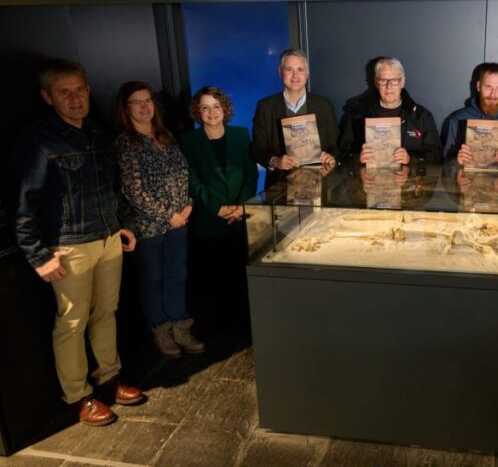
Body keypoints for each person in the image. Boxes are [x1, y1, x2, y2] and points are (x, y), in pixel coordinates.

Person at [11, 59, 144, 426]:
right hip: (68, 246)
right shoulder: (38, 140)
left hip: (108, 238)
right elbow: (24, 204)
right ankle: (78, 395)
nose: (75, 98)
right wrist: (38, 256)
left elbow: (112, 189)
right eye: (64, 92)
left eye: (80, 89)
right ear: (47, 96)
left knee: (106, 312)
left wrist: (123, 225)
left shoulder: (98, 134)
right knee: (71, 322)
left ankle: (109, 377)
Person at [114, 81, 205, 358]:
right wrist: (169, 215)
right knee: (152, 280)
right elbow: (133, 191)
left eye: (148, 100)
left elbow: (182, 175)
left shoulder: (166, 137)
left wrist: (188, 205)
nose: (144, 107)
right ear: (126, 109)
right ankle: (161, 331)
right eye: (137, 102)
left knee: (177, 276)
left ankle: (181, 327)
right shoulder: (126, 144)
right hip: (148, 228)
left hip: (180, 222)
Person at [178, 87, 258, 340]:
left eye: (216, 106)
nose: (211, 112)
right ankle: (217, 332)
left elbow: (250, 173)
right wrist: (218, 207)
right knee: (212, 280)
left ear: (224, 109)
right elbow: (192, 180)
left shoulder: (240, 134)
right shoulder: (189, 141)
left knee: (238, 277)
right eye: (205, 107)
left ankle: (242, 330)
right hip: (208, 220)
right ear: (197, 112)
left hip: (239, 218)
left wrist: (242, 206)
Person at [338, 57, 442, 165]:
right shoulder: (358, 114)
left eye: (394, 81)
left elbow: (437, 156)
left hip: (409, 180)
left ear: (402, 82)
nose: (389, 87)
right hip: (369, 180)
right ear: (376, 82)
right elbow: (341, 154)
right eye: (383, 80)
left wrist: (410, 158)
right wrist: (357, 158)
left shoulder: (421, 116)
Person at [252, 48, 338, 177]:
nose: (295, 75)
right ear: (280, 73)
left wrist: (331, 156)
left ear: (307, 73)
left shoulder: (324, 105)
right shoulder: (265, 107)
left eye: (300, 69)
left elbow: (336, 144)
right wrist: (275, 161)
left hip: (320, 183)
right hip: (280, 186)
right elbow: (257, 149)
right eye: (289, 69)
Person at [442, 62, 498, 168]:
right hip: (468, 183)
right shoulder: (458, 118)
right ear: (478, 86)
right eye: (488, 86)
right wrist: (457, 161)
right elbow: (446, 162)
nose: (493, 94)